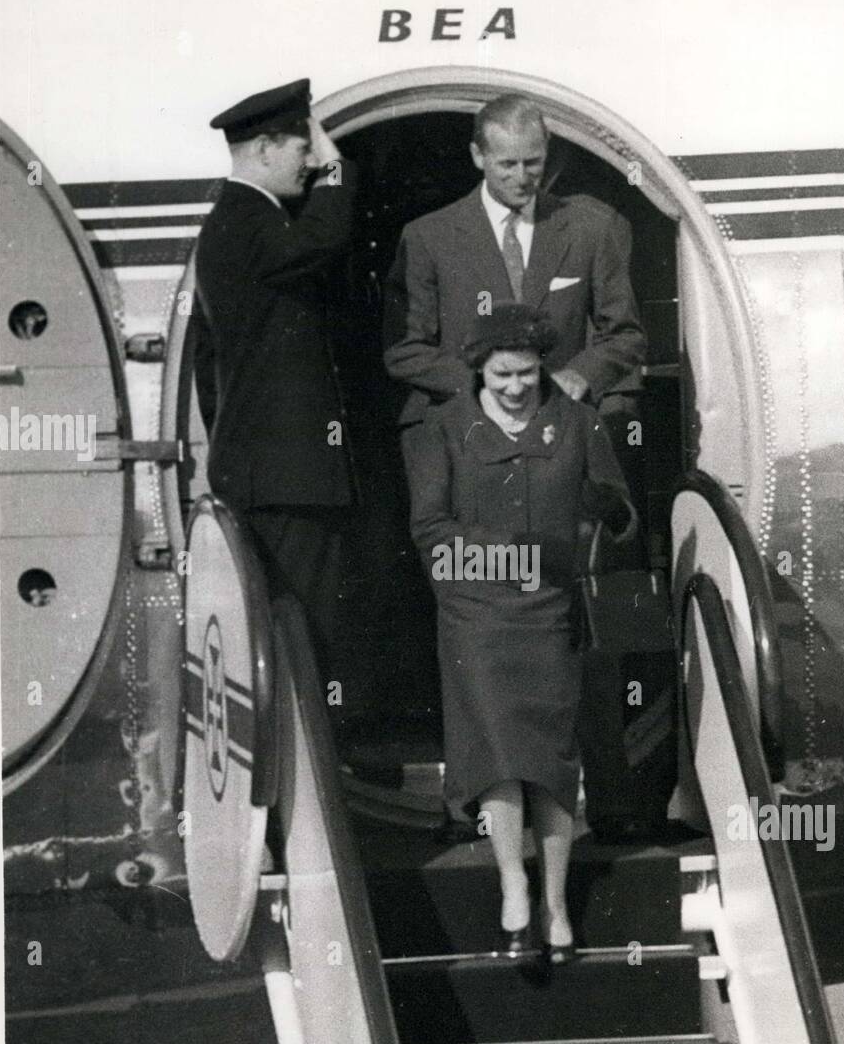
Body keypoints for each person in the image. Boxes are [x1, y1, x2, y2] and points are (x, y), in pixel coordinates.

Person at [383, 93, 655, 843]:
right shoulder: (429, 237)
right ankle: (473, 803)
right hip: (471, 457)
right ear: (478, 156)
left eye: (533, 163)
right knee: (476, 624)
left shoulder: (594, 227)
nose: (521, 177)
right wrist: (490, 384)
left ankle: (611, 797)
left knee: (584, 621)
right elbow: (404, 350)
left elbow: (624, 334)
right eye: (506, 164)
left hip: (564, 455)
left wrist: (576, 379)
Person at [406, 303, 637, 961]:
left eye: (528, 375)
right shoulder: (442, 429)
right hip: (476, 615)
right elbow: (431, 531)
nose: (515, 387)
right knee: (499, 757)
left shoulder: (578, 422)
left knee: (551, 761)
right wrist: (519, 557)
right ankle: (514, 885)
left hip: (549, 613)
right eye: (504, 374)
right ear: (481, 368)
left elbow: (621, 520)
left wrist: (610, 512)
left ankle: (557, 903)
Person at [193, 77, 358, 678]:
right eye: (301, 147)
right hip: (287, 482)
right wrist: (339, 169)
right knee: (309, 637)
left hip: (270, 476)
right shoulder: (246, 222)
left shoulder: (235, 224)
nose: (311, 162)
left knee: (298, 634)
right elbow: (322, 237)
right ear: (264, 148)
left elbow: (207, 372)